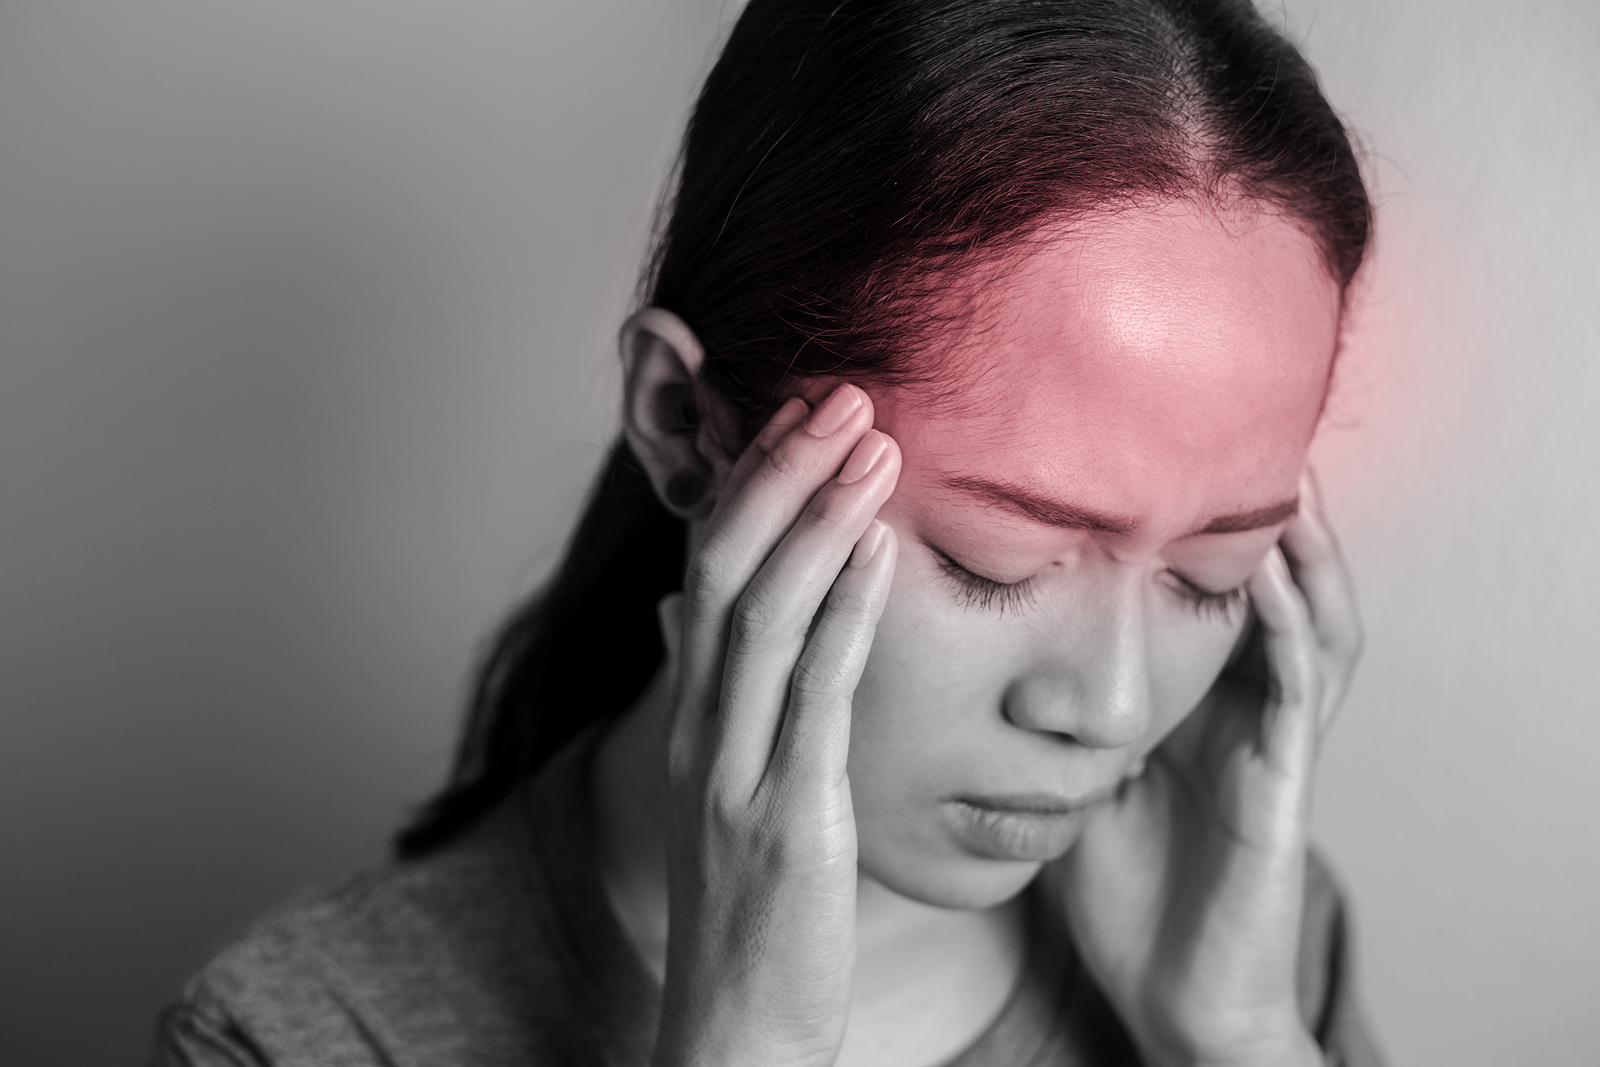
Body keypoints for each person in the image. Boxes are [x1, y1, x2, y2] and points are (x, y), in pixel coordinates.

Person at [150, 1, 1386, 1064]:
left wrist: (1240, 1039)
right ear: (686, 424)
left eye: (1211, 577)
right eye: (991, 564)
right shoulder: (301, 1030)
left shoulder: (1249, 942)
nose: (1113, 708)